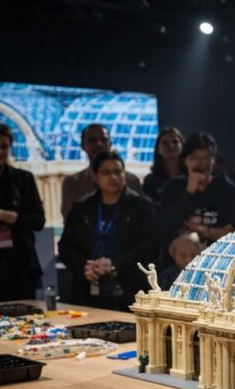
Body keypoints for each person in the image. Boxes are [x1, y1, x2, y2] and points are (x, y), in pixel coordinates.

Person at [58, 151, 159, 311]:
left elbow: (151, 245)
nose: (113, 177)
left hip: (129, 288)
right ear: (95, 176)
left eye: (118, 171)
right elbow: (65, 247)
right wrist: (84, 267)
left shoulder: (141, 206)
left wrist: (115, 265)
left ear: (124, 174)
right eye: (106, 172)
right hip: (87, 290)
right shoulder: (82, 207)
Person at [158, 132, 235, 264]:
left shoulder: (229, 190)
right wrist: (190, 190)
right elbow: (166, 227)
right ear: (186, 160)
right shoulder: (172, 187)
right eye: (195, 158)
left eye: (207, 158)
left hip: (218, 261)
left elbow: (233, 233)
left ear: (214, 160)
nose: (202, 163)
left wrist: (201, 230)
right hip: (177, 263)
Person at [0, 121, 46, 301]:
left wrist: (8, 217)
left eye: (4, 147)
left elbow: (38, 221)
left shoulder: (24, 179)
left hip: (21, 267)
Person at [61, 124, 143, 219]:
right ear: (83, 146)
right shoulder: (72, 183)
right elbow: (70, 220)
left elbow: (139, 218)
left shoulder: (130, 180)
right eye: (92, 141)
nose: (99, 144)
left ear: (110, 144)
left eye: (104, 140)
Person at [142, 127, 184, 202]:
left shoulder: (191, 176)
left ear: (182, 146)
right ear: (158, 148)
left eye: (175, 142)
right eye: (165, 143)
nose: (171, 146)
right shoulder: (151, 180)